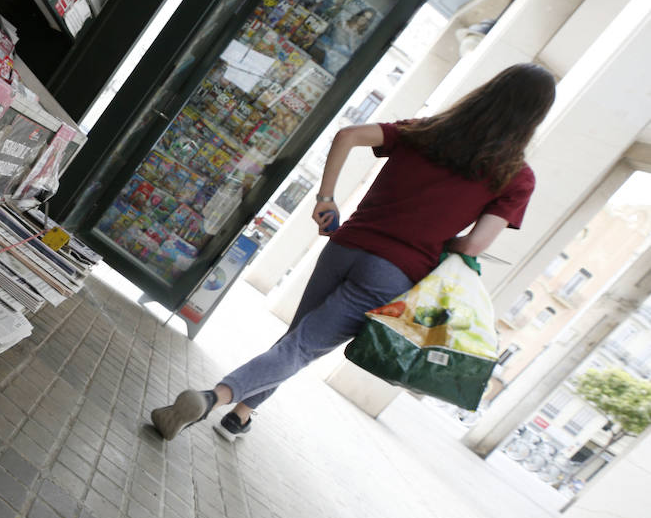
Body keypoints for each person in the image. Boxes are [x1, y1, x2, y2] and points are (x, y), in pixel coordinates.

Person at [151, 63, 557, 443]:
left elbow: (347, 136)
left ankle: (241, 414)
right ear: (534, 118)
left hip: (345, 246)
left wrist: (325, 197)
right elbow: (472, 245)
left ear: (487, 92)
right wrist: (438, 237)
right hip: (393, 274)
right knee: (301, 347)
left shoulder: (427, 131)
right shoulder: (515, 177)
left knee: (298, 338)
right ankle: (211, 398)